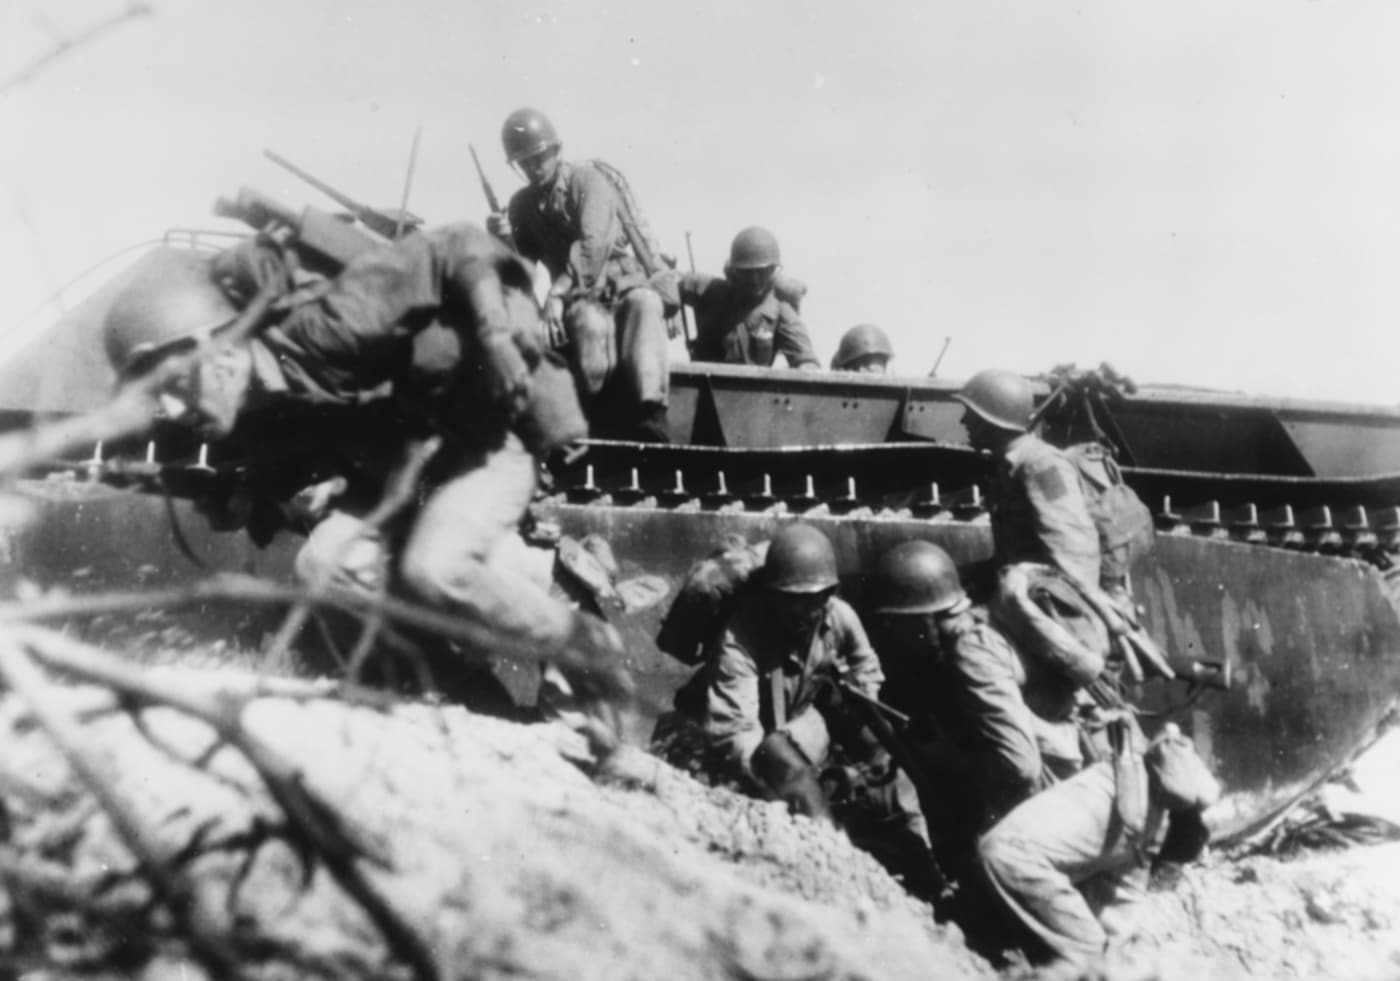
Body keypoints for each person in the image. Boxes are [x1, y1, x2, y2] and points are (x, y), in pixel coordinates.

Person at [100, 225, 626, 710]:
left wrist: (492, 334)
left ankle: (582, 637)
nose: (168, 409)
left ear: (216, 352)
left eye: (170, 385)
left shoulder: (331, 324)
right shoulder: (256, 401)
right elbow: (298, 459)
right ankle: (458, 701)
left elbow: (456, 244)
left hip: (483, 447)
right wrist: (247, 497)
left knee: (435, 566)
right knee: (323, 564)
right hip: (403, 476)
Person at [697, 523, 943, 897]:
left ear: (830, 593)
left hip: (804, 721)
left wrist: (858, 710)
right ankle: (834, 865)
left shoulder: (839, 617)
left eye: (814, 598)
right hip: (753, 739)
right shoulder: (740, 637)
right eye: (791, 599)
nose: (803, 610)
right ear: (771, 596)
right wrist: (776, 778)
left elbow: (867, 668)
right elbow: (736, 733)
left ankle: (925, 867)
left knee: (887, 762)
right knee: (785, 767)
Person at [865, 541, 1084, 845]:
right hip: (1068, 769)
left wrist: (952, 763)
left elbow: (1021, 768)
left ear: (925, 620)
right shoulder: (981, 623)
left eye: (898, 623)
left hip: (1061, 791)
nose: (894, 635)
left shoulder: (972, 654)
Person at [488, 107, 671, 443]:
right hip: (578, 300)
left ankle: (651, 419)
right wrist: (501, 241)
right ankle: (595, 423)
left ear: (556, 150)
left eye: (539, 156)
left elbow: (593, 247)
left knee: (645, 305)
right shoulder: (522, 206)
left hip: (618, 286)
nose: (533, 167)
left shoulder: (587, 181)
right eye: (524, 161)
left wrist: (556, 295)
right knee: (586, 320)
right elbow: (521, 273)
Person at [978, 723, 1220, 969]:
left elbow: (1119, 914)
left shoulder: (1137, 799)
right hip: (1007, 857)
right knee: (1088, 955)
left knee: (1095, 953)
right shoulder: (1126, 813)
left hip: (1012, 859)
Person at [955, 369, 1101, 591]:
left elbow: (1074, 551)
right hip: (1024, 591)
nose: (963, 420)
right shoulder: (1010, 465)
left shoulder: (1043, 466)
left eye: (971, 413)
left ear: (992, 418)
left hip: (1051, 606)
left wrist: (1064, 614)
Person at [652, 226, 821, 370]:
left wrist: (805, 367)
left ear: (773, 270)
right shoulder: (711, 290)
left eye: (762, 272)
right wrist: (671, 304)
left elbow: (807, 361)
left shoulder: (781, 312)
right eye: (747, 272)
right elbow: (668, 279)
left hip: (751, 399)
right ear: (734, 270)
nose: (755, 279)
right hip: (704, 390)